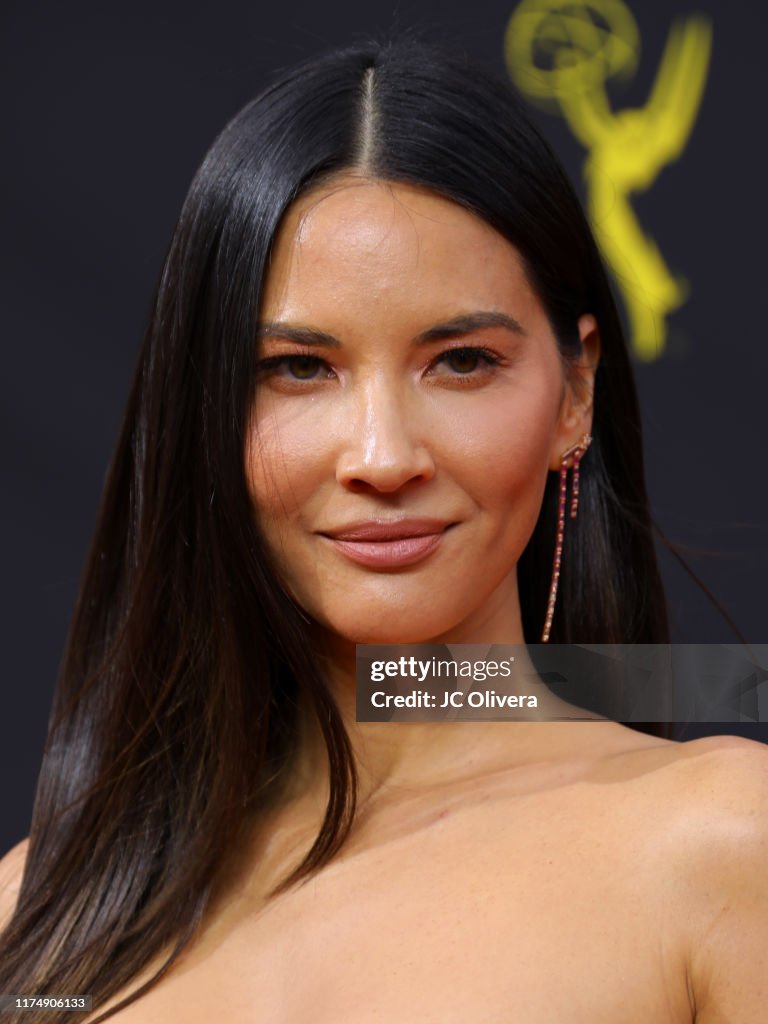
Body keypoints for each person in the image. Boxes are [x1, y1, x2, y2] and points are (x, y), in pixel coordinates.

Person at [1, 37, 766, 1023]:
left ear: (574, 391)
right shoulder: (38, 910)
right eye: (298, 369)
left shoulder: (720, 846)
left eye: (460, 361)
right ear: (205, 404)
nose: (382, 454)